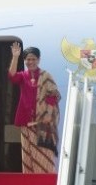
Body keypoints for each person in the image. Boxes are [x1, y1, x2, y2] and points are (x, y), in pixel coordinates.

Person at [8, 42, 61, 173]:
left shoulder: (46, 75)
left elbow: (53, 95)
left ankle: (46, 177)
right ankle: (30, 178)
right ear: (25, 60)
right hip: (26, 119)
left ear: (39, 60)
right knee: (28, 151)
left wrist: (48, 114)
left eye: (33, 59)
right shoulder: (23, 75)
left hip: (43, 121)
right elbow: (12, 77)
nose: (30, 62)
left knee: (44, 151)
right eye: (28, 59)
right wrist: (15, 57)